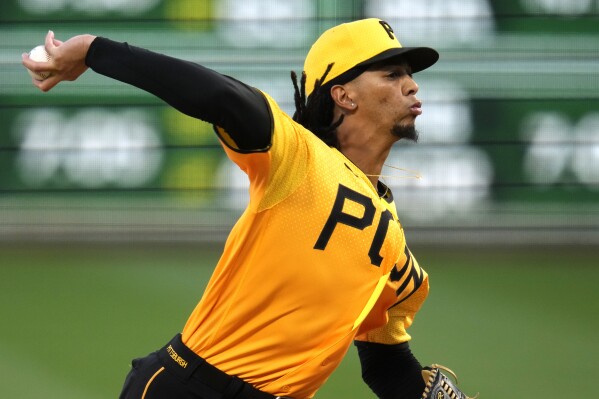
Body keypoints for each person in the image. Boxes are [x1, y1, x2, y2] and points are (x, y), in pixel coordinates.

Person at [23, 18, 476, 399]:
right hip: (191, 387)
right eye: (392, 74)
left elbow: (385, 362)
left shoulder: (397, 258)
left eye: (408, 75)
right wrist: (94, 50)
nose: (412, 84)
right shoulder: (296, 158)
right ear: (344, 95)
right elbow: (221, 97)